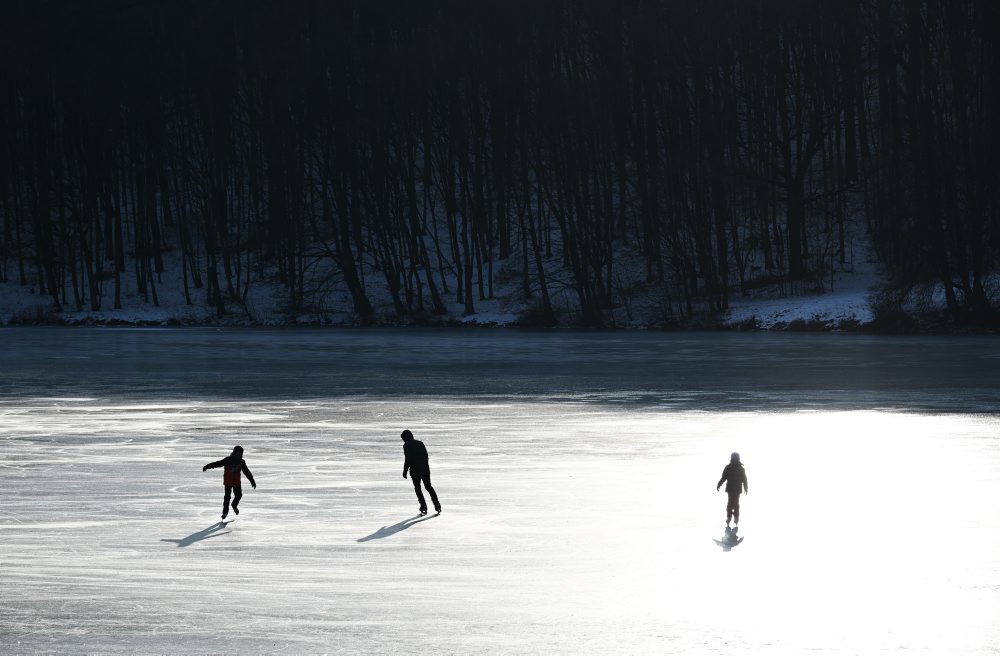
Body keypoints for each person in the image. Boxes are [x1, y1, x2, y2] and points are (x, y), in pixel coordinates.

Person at [203, 445, 256, 520]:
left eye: (240, 453)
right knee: (227, 497)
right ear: (234, 452)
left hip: (236, 482)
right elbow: (217, 464)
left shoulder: (241, 462)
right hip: (228, 481)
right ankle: (225, 513)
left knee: (239, 495)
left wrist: (252, 481)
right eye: (237, 453)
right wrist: (207, 466)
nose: (239, 454)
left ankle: (234, 505)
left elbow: (247, 472)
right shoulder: (228, 459)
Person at [401, 429, 441, 515]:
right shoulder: (420, 443)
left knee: (418, 488)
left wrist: (405, 471)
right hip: (425, 469)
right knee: (428, 486)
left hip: (415, 470)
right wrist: (425, 466)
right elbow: (426, 456)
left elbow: (408, 459)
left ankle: (423, 505)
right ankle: (437, 504)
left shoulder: (406, 445)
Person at [716, 452, 748, 528]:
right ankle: (732, 517)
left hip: (733, 489)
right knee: (734, 503)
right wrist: (719, 484)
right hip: (734, 489)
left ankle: (732, 517)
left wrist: (719, 484)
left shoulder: (731, 467)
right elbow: (724, 477)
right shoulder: (735, 468)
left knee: (732, 503)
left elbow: (744, 479)